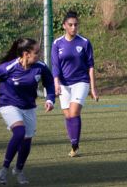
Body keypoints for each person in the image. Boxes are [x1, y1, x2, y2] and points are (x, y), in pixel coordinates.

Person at [0, 38, 55, 185]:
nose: (39, 55)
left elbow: (49, 83)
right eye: (36, 52)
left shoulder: (40, 67)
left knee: (27, 141)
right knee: (19, 132)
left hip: (28, 107)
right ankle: (4, 169)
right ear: (26, 54)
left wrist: (50, 99)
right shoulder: (9, 67)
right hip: (8, 104)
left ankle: (19, 170)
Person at [51, 10, 98, 158]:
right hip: (64, 84)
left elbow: (90, 66)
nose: (73, 28)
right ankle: (73, 142)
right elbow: (55, 66)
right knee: (68, 116)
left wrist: (93, 88)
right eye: (70, 25)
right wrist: (56, 83)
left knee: (73, 113)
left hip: (81, 82)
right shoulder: (57, 43)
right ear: (64, 26)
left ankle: (75, 144)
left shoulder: (84, 42)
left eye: (76, 25)